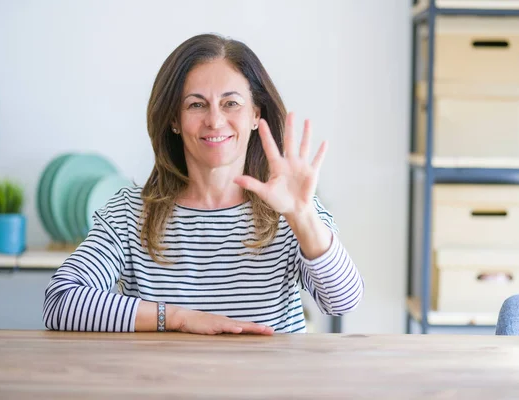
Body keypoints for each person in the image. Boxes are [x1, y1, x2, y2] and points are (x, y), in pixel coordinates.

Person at [42, 33, 364, 335]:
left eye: (231, 103)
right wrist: (179, 318)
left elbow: (342, 302)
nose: (215, 120)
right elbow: (61, 301)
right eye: (196, 104)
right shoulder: (129, 213)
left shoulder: (291, 208)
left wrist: (302, 216)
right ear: (174, 121)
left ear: (255, 114)